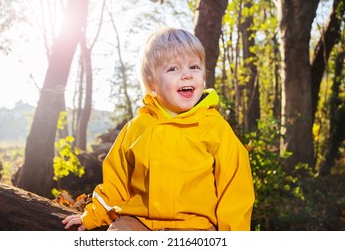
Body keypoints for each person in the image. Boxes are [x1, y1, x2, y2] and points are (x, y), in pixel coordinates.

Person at [62, 27, 255, 231]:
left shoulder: (214, 127)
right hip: (139, 221)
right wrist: (93, 215)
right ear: (152, 84)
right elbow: (116, 181)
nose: (187, 75)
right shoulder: (137, 129)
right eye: (173, 69)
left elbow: (235, 187)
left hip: (196, 226)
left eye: (194, 67)